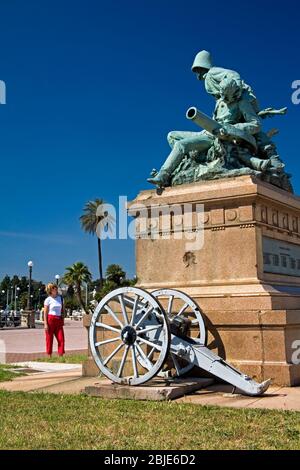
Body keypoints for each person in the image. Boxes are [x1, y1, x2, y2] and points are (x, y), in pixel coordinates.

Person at [44, 283, 65, 357]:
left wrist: (63, 320)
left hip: (58, 319)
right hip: (50, 320)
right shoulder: (48, 300)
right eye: (53, 288)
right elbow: (45, 313)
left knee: (61, 338)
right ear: (50, 290)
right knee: (49, 339)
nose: (55, 289)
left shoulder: (61, 298)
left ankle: (61, 355)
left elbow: (63, 310)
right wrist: (45, 324)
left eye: (55, 287)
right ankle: (49, 355)